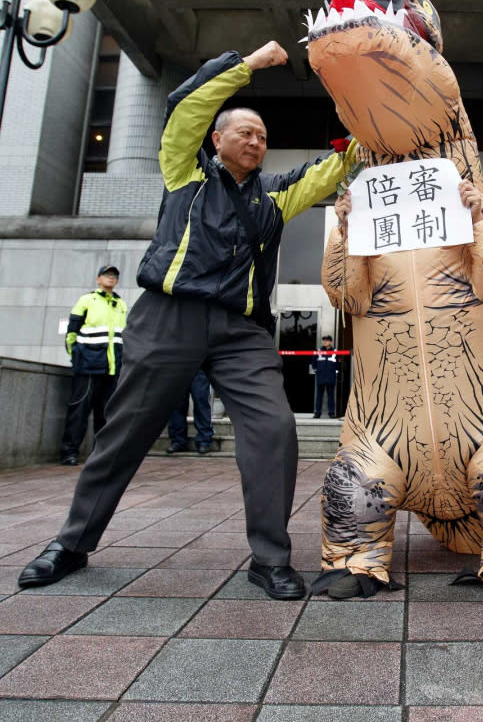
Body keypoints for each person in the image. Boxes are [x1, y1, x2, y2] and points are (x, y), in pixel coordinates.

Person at [18, 40, 354, 602]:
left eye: (263, 137)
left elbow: (338, 166)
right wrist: (247, 66)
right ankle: (71, 544)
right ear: (217, 139)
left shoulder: (274, 198)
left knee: (274, 430)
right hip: (168, 317)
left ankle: (269, 559)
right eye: (244, 131)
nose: (256, 140)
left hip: (242, 331)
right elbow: (187, 108)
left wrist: (369, 109)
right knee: (124, 433)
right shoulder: (183, 173)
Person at [59, 265, 127, 466]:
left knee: (106, 413)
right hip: (88, 365)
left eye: (114, 276)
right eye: (107, 275)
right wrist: (77, 357)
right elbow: (72, 332)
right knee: (79, 410)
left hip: (112, 367)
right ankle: (69, 451)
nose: (111, 278)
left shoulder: (120, 303)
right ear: (98, 279)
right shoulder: (87, 300)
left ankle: (101, 454)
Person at [166, 369, 216, 454]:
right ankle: (178, 441)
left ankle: (204, 440)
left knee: (201, 401)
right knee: (177, 404)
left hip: (199, 366)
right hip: (177, 366)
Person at [312, 334, 338, 418]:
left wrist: (336, 372)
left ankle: (331, 413)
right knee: (319, 396)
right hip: (321, 376)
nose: (325, 342)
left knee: (331, 396)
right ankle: (317, 413)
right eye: (324, 340)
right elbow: (313, 362)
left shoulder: (335, 351)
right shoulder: (318, 350)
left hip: (331, 376)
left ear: (331, 342)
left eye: (326, 340)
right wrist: (316, 370)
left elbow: (338, 364)